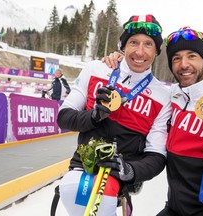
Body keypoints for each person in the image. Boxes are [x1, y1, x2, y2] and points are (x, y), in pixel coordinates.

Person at [103, 26, 203, 216]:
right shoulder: (171, 96)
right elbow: (142, 84)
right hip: (176, 209)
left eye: (192, 56)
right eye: (176, 58)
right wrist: (120, 62)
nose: (184, 64)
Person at [56, 14, 171, 216]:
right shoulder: (97, 69)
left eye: (148, 44)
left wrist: (130, 171)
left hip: (119, 176)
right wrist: (93, 116)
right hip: (83, 166)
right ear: (123, 46)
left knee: (99, 191)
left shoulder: (163, 95)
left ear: (157, 51)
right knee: (71, 187)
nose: (139, 51)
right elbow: (63, 117)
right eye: (133, 42)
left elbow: (157, 156)